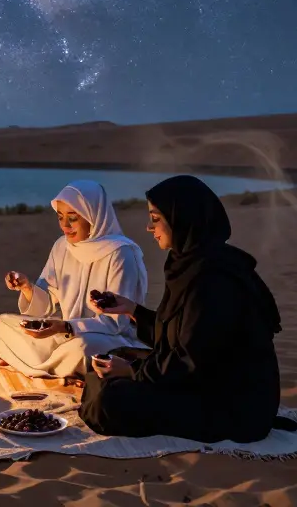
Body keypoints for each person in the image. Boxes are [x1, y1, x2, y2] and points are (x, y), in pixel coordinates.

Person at [79, 175, 284, 443]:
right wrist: (132, 311)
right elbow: (181, 336)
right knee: (110, 360)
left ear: (182, 219)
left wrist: (132, 372)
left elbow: (192, 360)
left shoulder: (214, 279)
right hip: (198, 383)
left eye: (155, 219)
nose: (149, 228)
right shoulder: (188, 265)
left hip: (229, 403)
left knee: (112, 399)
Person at [0, 179, 150, 378]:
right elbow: (46, 305)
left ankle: (40, 364)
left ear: (93, 216)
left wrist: (68, 327)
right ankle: (56, 365)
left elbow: (116, 323)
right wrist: (27, 288)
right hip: (63, 333)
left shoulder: (121, 253)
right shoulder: (61, 247)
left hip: (107, 338)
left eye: (73, 218)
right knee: (2, 325)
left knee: (82, 348)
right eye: (60, 217)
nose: (65, 225)